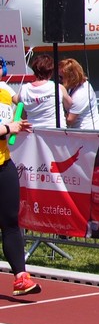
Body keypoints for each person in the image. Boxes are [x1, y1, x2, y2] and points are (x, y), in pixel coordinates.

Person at [0, 87, 37, 296]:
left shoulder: (4, 94)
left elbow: (9, 124)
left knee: (11, 222)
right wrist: (8, 127)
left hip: (4, 164)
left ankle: (21, 278)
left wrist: (17, 125)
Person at [19, 52, 68, 128]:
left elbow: (23, 115)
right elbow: (70, 106)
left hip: (33, 130)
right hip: (56, 130)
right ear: (51, 71)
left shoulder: (24, 89)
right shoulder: (58, 87)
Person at [57, 58, 99, 129]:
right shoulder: (74, 86)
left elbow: (70, 120)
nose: (59, 80)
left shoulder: (81, 93)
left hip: (90, 131)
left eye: (61, 77)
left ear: (71, 77)